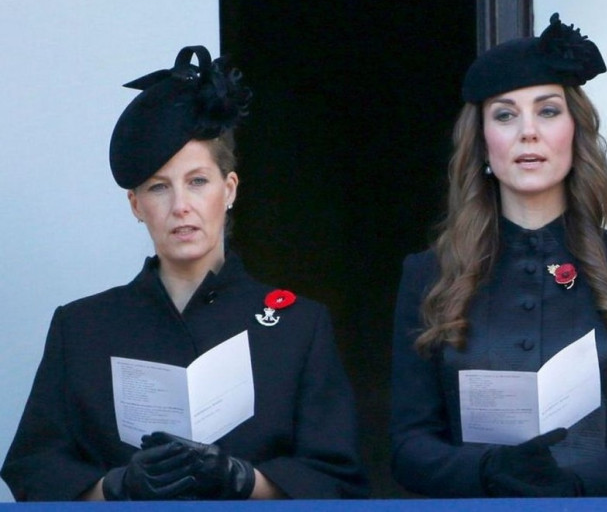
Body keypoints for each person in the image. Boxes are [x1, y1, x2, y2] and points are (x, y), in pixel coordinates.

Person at [1, 46, 368, 500]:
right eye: (158, 187)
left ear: (229, 189)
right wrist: (117, 486)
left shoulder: (298, 326)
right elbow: (33, 469)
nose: (181, 207)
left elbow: (338, 478)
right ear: (136, 205)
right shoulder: (81, 327)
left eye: (197, 181)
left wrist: (243, 479)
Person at [391, 14, 607, 496]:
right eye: (504, 114)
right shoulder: (428, 274)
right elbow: (408, 446)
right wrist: (487, 471)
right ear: (482, 142)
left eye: (547, 111)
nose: (528, 132)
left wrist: (580, 482)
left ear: (575, 131)